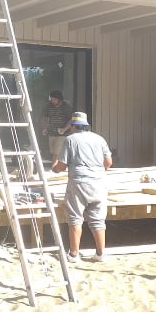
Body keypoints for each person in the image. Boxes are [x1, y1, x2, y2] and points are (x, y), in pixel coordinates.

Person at [52, 111, 112, 264]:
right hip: (99, 184)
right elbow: (108, 163)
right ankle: (100, 254)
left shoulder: (70, 140)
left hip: (78, 183)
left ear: (73, 126)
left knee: (75, 218)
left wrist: (55, 168)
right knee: (98, 220)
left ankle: (74, 255)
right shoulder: (99, 139)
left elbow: (62, 165)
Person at [40, 89, 74, 167]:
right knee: (53, 152)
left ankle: (53, 168)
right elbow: (44, 118)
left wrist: (64, 129)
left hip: (63, 133)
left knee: (56, 152)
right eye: (51, 99)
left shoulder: (66, 106)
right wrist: (45, 128)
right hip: (51, 132)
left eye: (54, 99)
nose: (53, 101)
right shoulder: (48, 105)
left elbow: (71, 119)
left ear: (60, 99)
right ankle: (59, 167)